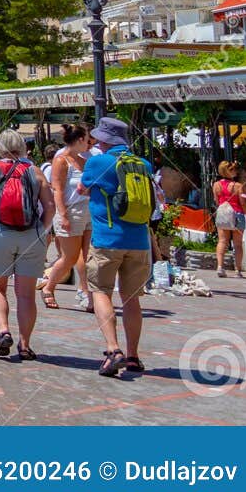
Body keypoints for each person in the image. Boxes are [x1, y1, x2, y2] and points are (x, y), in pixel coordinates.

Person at [79, 116, 154, 377]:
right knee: (132, 300)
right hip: (139, 241)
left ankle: (113, 350)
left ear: (103, 139)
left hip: (107, 240)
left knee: (100, 291)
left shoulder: (97, 162)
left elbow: (81, 189)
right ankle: (133, 355)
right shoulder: (143, 164)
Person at [0, 130, 54, 360]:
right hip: (31, 237)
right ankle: (25, 345)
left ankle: (3, 330)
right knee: (26, 294)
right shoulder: (35, 172)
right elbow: (50, 207)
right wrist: (42, 232)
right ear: (22, 148)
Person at [41, 123, 93, 310]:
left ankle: (87, 293)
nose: (89, 142)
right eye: (87, 139)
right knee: (69, 257)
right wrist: (63, 216)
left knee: (88, 257)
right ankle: (49, 287)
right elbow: (58, 190)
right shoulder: (61, 160)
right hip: (70, 212)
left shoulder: (84, 161)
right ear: (80, 139)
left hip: (88, 211)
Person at [214, 161, 246, 279]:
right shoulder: (238, 186)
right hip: (237, 215)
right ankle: (238, 270)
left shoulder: (216, 185)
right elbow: (243, 203)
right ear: (229, 171)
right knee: (238, 244)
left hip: (223, 214)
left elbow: (216, 200)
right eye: (234, 169)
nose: (236, 171)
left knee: (222, 241)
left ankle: (220, 267)